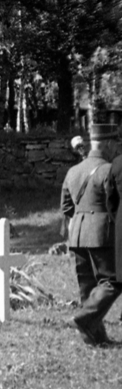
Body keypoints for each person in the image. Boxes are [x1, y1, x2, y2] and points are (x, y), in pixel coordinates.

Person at [63, 130, 121, 346]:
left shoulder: (72, 171)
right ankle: (85, 318)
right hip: (101, 233)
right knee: (112, 280)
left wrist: (82, 219)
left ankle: (95, 338)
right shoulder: (108, 170)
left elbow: (66, 206)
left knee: (87, 285)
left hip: (77, 233)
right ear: (105, 144)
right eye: (115, 144)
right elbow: (114, 203)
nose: (116, 149)